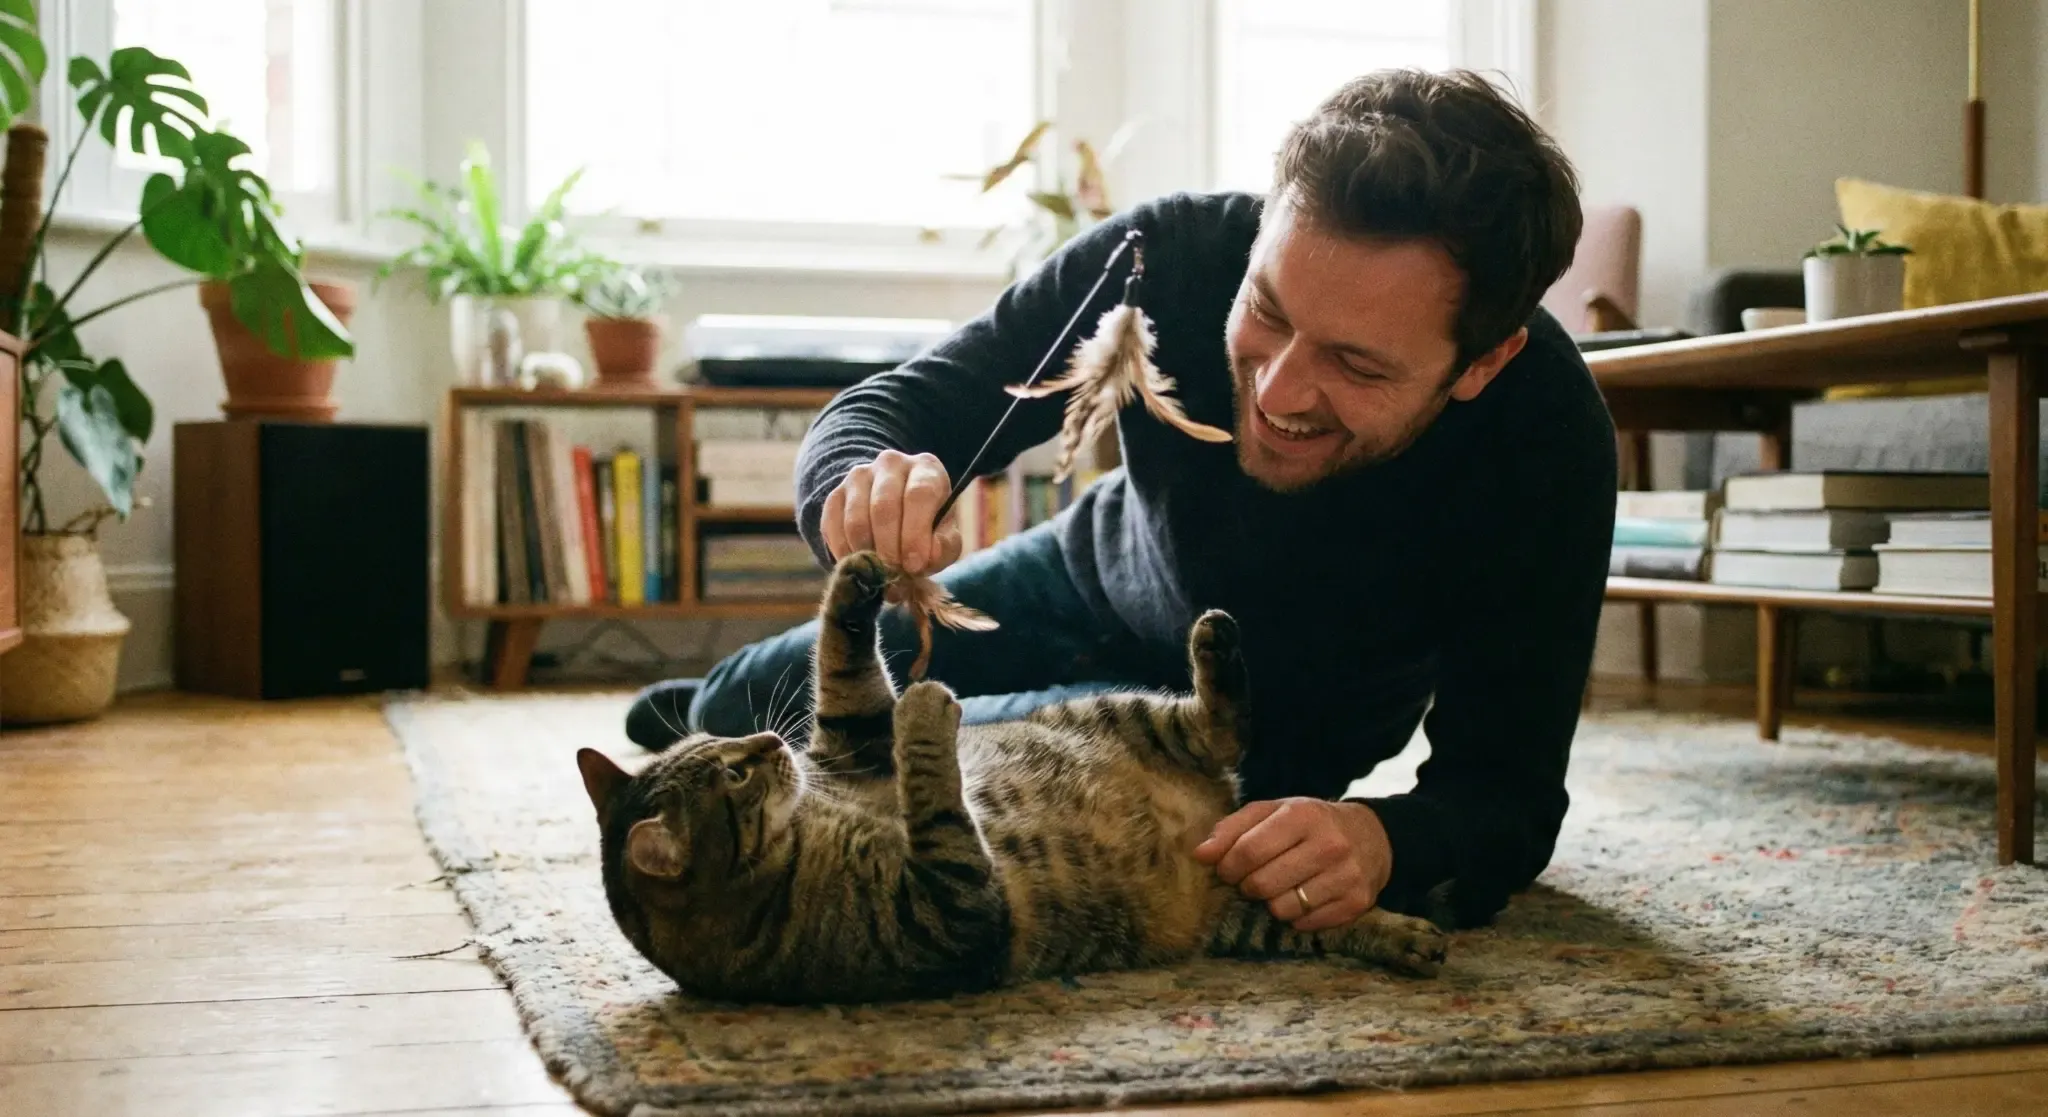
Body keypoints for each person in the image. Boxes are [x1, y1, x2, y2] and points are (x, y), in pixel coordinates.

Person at [627, 68, 1616, 933]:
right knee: (739, 704)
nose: (1274, 395)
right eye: (1265, 311)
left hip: (1250, 726)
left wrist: (1381, 837)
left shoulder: (1545, 437)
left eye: (1354, 364)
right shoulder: (1170, 254)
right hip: (1083, 575)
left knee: (934, 787)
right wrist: (862, 478)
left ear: (1482, 362)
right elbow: (905, 401)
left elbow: (1505, 794)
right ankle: (723, 701)